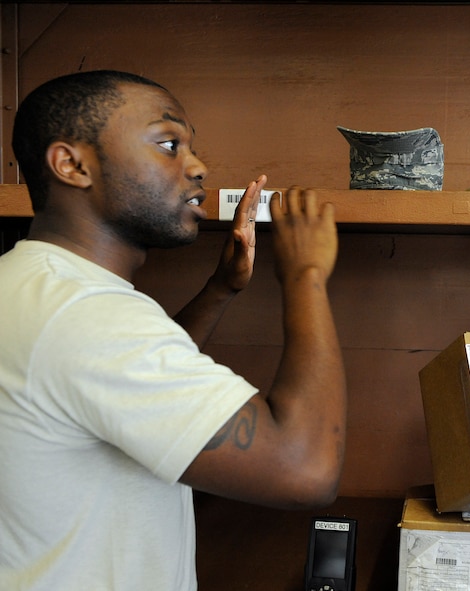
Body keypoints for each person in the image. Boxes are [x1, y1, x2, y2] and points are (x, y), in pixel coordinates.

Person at [0, 70, 347, 590]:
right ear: (72, 165)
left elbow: (128, 390)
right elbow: (304, 470)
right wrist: (306, 273)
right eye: (168, 144)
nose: (198, 166)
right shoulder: (87, 314)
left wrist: (219, 290)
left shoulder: (34, 288)